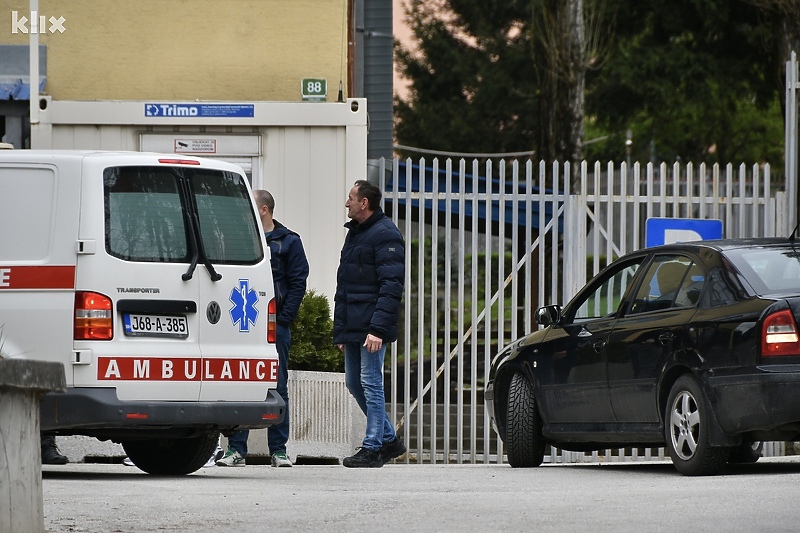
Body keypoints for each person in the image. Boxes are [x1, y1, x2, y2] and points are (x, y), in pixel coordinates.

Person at [217, 189, 309, 468]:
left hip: (274, 325)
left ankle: (279, 451)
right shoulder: (239, 240)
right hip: (243, 323)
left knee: (278, 386)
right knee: (241, 383)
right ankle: (236, 450)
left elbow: (298, 282)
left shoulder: (289, 241)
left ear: (265, 210)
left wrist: (283, 319)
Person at [335, 180, 406, 468]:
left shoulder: (386, 233)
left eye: (351, 198)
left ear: (365, 203)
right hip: (353, 325)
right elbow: (345, 284)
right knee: (354, 383)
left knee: (371, 384)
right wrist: (340, 330)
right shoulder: (355, 233)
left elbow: (391, 286)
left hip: (371, 327)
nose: (347, 203)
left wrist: (377, 329)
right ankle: (390, 440)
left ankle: (373, 446)